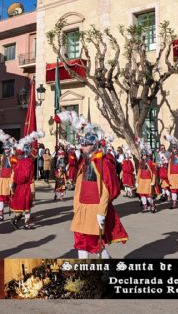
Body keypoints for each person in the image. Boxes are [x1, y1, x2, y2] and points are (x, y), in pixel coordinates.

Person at [58, 110, 127, 259]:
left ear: (93, 145)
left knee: (95, 245)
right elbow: (79, 187)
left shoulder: (103, 162)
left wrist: (101, 212)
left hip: (95, 209)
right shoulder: (85, 161)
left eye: (84, 145)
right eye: (81, 145)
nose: (81, 148)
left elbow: (107, 190)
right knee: (80, 242)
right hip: (82, 208)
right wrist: (76, 206)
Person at [10, 144, 36, 229]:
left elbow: (15, 176)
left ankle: (15, 220)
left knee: (21, 206)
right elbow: (30, 176)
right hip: (26, 186)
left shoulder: (18, 162)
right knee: (27, 206)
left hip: (19, 187)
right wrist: (33, 190)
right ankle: (26, 224)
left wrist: (13, 186)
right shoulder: (29, 162)